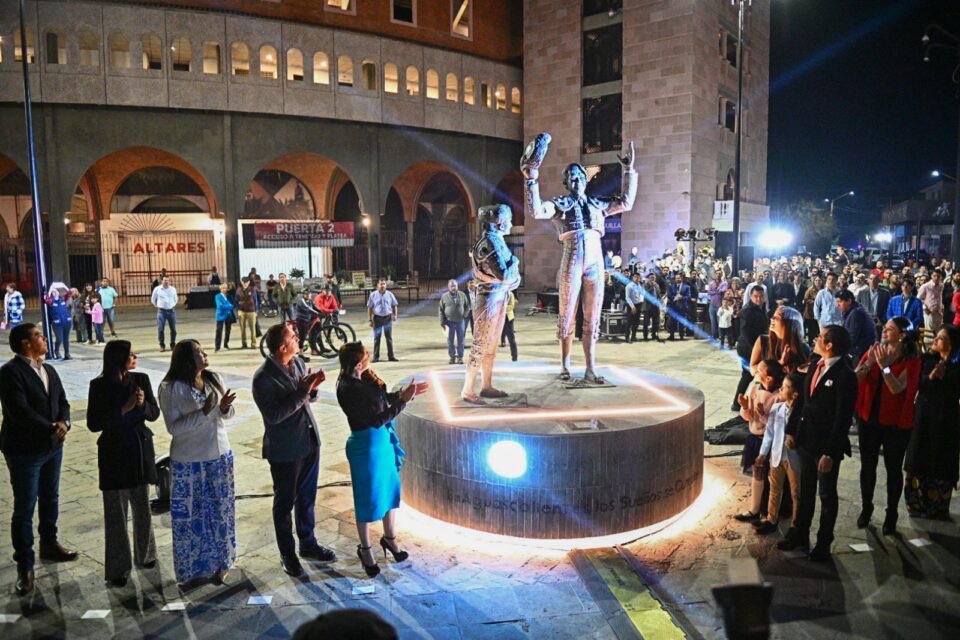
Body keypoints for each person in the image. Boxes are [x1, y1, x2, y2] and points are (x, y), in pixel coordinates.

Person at [521, 134, 637, 384]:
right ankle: (564, 366)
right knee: (567, 316)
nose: (575, 180)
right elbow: (537, 210)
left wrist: (629, 171)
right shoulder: (560, 205)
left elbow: (626, 202)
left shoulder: (597, 204)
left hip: (595, 262)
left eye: (579, 176)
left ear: (585, 179)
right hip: (572, 259)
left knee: (593, 318)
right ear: (566, 182)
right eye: (570, 177)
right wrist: (531, 179)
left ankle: (590, 368)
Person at [336, 342, 428, 577]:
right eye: (366, 356)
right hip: (366, 446)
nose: (369, 358)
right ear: (358, 363)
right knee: (366, 499)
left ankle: (390, 539)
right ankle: (365, 549)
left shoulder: (363, 378)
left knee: (389, 490)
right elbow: (377, 418)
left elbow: (382, 399)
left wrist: (403, 395)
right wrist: (403, 401)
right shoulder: (348, 387)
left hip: (382, 443)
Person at [0, 323, 77, 596]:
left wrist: (65, 422)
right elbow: (19, 411)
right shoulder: (10, 373)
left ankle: (49, 543)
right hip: (24, 450)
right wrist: (51, 427)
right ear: (25, 343)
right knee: (24, 506)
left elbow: (63, 402)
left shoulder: (48, 368)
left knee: (50, 497)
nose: (44, 339)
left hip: (52, 447)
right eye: (38, 336)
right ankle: (25, 565)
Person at [252, 323, 334, 577]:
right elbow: (275, 415)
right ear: (282, 347)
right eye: (293, 338)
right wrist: (303, 392)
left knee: (307, 496)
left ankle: (308, 544)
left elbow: (307, 398)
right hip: (285, 449)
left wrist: (313, 389)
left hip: (308, 440)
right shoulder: (263, 378)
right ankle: (287, 553)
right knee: (285, 502)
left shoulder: (297, 363)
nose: (298, 339)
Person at [159, 340, 237, 587]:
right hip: (190, 460)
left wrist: (224, 408)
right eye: (198, 352)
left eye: (203, 350)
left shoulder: (213, 378)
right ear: (186, 359)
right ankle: (192, 568)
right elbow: (174, 428)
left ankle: (222, 563)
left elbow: (226, 415)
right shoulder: (170, 388)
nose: (204, 354)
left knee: (220, 513)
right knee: (191, 518)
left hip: (219, 455)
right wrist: (203, 413)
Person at [779, 325, 858, 561]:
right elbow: (803, 402)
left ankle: (824, 542)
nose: (816, 339)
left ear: (830, 344)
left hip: (825, 448)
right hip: (806, 441)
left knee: (826, 495)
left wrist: (830, 453)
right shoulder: (815, 364)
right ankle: (800, 534)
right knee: (805, 492)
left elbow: (842, 418)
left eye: (821, 337)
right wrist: (793, 430)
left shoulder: (845, 376)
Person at [86, 340, 159, 587]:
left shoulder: (141, 380)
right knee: (116, 512)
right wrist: (124, 409)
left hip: (139, 448)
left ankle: (146, 554)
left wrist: (142, 405)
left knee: (142, 506)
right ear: (118, 358)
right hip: (114, 452)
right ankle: (118, 567)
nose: (135, 357)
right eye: (130, 354)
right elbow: (94, 423)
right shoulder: (98, 386)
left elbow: (154, 414)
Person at [853, 316, 921, 534]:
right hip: (869, 419)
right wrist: (869, 364)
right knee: (867, 467)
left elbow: (897, 388)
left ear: (902, 335)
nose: (884, 331)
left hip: (895, 423)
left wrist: (884, 368)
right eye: (885, 328)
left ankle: (891, 513)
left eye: (890, 329)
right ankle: (866, 508)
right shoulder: (874, 351)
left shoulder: (911, 359)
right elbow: (855, 379)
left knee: (893, 470)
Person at [461, 204, 522, 401]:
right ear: (499, 222)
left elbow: (513, 281)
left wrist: (509, 276)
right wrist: (515, 262)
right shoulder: (488, 243)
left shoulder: (497, 241)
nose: (512, 224)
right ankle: (468, 390)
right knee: (480, 345)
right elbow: (505, 274)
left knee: (492, 345)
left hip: (498, 296)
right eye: (509, 220)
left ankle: (486, 386)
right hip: (488, 298)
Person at [904, 326, 960, 519]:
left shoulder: (956, 366)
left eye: (942, 338)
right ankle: (916, 503)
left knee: (942, 457)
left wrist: (947, 378)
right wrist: (932, 377)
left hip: (946, 419)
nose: (936, 340)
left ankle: (937, 506)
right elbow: (919, 384)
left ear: (951, 344)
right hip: (925, 416)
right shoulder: (927, 360)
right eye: (936, 337)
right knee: (920, 454)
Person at [733, 359, 784, 523]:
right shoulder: (754, 387)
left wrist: (762, 414)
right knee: (757, 474)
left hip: (770, 442)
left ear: (769, 378)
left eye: (760, 369)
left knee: (772, 479)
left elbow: (775, 426)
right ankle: (754, 509)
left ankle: (769, 513)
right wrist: (746, 407)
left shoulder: (778, 396)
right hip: (754, 437)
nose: (756, 371)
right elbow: (747, 416)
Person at [752, 373, 803, 535]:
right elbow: (770, 433)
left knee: (796, 492)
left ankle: (796, 525)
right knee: (775, 488)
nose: (781, 388)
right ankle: (771, 519)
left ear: (795, 393)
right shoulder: (777, 408)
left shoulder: (802, 412)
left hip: (794, 457)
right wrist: (762, 454)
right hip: (777, 455)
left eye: (786, 387)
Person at [732, 287, 768, 411]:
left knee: (750, 375)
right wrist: (756, 351)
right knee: (747, 375)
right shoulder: (747, 311)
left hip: (756, 347)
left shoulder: (760, 308)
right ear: (751, 296)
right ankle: (736, 403)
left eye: (761, 296)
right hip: (747, 348)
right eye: (756, 296)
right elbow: (746, 333)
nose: (759, 299)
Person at [749, 305, 809, 377]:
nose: (772, 319)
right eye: (773, 316)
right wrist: (778, 364)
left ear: (788, 323)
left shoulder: (803, 348)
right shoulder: (762, 341)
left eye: (777, 317)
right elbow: (752, 369)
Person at [836, 289, 876, 364]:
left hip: (860, 353)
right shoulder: (852, 311)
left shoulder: (856, 313)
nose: (837, 305)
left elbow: (852, 337)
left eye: (840, 302)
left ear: (849, 301)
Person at [438, 279, 470, 364]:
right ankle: (452, 357)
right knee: (450, 341)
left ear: (457, 286)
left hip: (460, 322)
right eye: (451, 286)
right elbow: (441, 310)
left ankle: (460, 357)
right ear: (448, 287)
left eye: (455, 286)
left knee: (461, 340)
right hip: (449, 322)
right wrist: (442, 322)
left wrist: (464, 315)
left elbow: (468, 306)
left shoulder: (462, 295)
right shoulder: (444, 297)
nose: (453, 288)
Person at [367, 279, 399, 362]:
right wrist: (370, 319)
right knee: (377, 338)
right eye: (381, 284)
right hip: (377, 318)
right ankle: (376, 357)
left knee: (389, 337)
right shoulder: (373, 295)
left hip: (387, 318)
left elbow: (394, 305)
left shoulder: (390, 295)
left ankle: (391, 356)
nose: (382, 286)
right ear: (377, 285)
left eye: (384, 284)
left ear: (386, 285)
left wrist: (395, 315)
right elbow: (370, 307)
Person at [917, 269, 944, 347]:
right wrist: (925, 308)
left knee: (938, 333)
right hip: (929, 312)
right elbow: (918, 299)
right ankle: (927, 352)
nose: (936, 277)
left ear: (940, 277)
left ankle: (936, 351)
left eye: (938, 276)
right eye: (934, 276)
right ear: (931, 276)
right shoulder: (925, 286)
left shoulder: (941, 285)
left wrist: (941, 307)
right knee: (929, 334)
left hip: (939, 312)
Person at [151, 275, 178, 352]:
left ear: (169, 281)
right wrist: (157, 305)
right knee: (161, 329)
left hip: (171, 311)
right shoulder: (157, 289)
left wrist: (172, 305)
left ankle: (173, 344)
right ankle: (162, 345)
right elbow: (153, 299)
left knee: (173, 329)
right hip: (161, 312)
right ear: (161, 281)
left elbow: (176, 299)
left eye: (167, 280)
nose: (166, 282)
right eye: (165, 280)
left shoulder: (173, 289)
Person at [45, 287, 73, 360]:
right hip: (57, 323)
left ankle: (67, 353)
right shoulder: (51, 301)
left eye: (56, 291)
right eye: (53, 292)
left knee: (66, 339)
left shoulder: (62, 299)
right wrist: (50, 290)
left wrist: (64, 286)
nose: (55, 293)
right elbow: (46, 299)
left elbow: (69, 293)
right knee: (59, 338)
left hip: (67, 321)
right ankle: (56, 351)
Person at [295, 289, 321, 359]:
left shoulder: (310, 301)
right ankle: (300, 355)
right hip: (301, 320)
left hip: (307, 320)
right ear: (304, 295)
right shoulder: (301, 301)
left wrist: (322, 311)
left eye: (309, 294)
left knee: (308, 333)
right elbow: (308, 308)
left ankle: (314, 348)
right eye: (306, 294)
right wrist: (318, 313)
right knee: (302, 337)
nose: (309, 295)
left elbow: (315, 308)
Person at [666, 273, 691, 341]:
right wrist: (675, 298)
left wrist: (681, 297)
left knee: (681, 322)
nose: (677, 279)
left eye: (679, 278)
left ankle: (681, 336)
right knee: (672, 322)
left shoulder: (687, 287)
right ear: (675, 279)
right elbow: (669, 295)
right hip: (673, 306)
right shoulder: (671, 286)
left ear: (681, 278)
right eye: (676, 278)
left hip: (682, 307)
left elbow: (688, 296)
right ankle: (672, 335)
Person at [706, 270, 728, 340]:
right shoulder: (711, 283)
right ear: (715, 274)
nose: (718, 275)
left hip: (720, 305)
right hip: (712, 305)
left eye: (719, 274)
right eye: (717, 273)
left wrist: (716, 288)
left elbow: (723, 290)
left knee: (720, 322)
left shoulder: (724, 283)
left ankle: (721, 336)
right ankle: (714, 336)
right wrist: (717, 291)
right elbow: (709, 292)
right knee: (713, 322)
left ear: (721, 275)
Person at [641, 271, 663, 342]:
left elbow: (658, 294)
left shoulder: (657, 285)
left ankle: (654, 335)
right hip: (647, 306)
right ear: (648, 278)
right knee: (646, 322)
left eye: (653, 278)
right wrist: (651, 287)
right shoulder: (645, 284)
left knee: (655, 322)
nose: (652, 279)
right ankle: (645, 336)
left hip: (655, 306)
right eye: (651, 278)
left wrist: (660, 300)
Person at [624, 272, 644, 343]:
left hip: (638, 305)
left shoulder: (639, 285)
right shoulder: (629, 286)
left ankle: (633, 336)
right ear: (633, 277)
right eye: (635, 277)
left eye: (638, 277)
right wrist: (632, 307)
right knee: (629, 322)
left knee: (636, 322)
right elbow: (627, 297)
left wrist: (641, 302)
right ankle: (627, 337)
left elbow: (641, 294)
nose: (637, 278)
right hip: (631, 305)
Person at [214, 284, 235, 351]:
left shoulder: (229, 296)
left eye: (225, 288)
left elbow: (233, 304)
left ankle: (226, 344)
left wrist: (227, 305)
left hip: (228, 315)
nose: (224, 289)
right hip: (220, 315)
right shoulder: (217, 296)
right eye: (223, 288)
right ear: (220, 289)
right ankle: (217, 347)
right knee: (219, 331)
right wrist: (229, 306)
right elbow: (219, 306)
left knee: (228, 331)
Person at [500, 290, 518, 361]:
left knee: (511, 338)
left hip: (508, 318)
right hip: (498, 318)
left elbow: (511, 306)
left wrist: (502, 308)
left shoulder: (510, 294)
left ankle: (514, 357)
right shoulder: (497, 294)